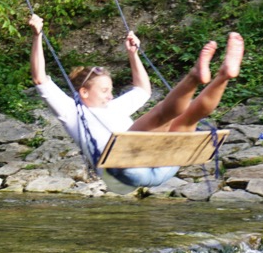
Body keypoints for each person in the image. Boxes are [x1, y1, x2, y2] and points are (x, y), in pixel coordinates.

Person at [28, 13, 243, 187]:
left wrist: (133, 55)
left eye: (110, 90)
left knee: (187, 118)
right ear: (83, 92)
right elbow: (40, 79)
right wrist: (38, 36)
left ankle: (223, 75)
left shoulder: (114, 107)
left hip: (159, 164)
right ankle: (198, 77)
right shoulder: (71, 111)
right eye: (104, 90)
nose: (110, 95)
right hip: (129, 167)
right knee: (163, 116)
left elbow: (142, 90)